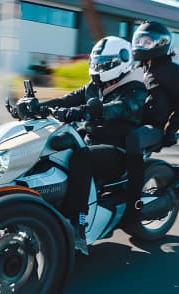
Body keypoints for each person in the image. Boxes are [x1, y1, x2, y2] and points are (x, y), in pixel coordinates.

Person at [15, 36, 148, 255]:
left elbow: (120, 108)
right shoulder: (94, 87)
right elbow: (65, 101)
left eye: (104, 64)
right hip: (88, 141)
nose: (98, 68)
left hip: (118, 149)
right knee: (52, 151)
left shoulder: (134, 88)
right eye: (96, 63)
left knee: (79, 158)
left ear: (121, 62)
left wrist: (87, 110)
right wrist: (36, 107)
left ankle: (78, 225)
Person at [126, 21, 179, 220]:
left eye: (146, 42)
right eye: (139, 41)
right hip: (131, 121)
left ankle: (134, 197)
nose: (140, 45)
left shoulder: (172, 72)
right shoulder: (138, 69)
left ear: (159, 44)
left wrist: (171, 130)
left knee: (133, 139)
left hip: (152, 128)